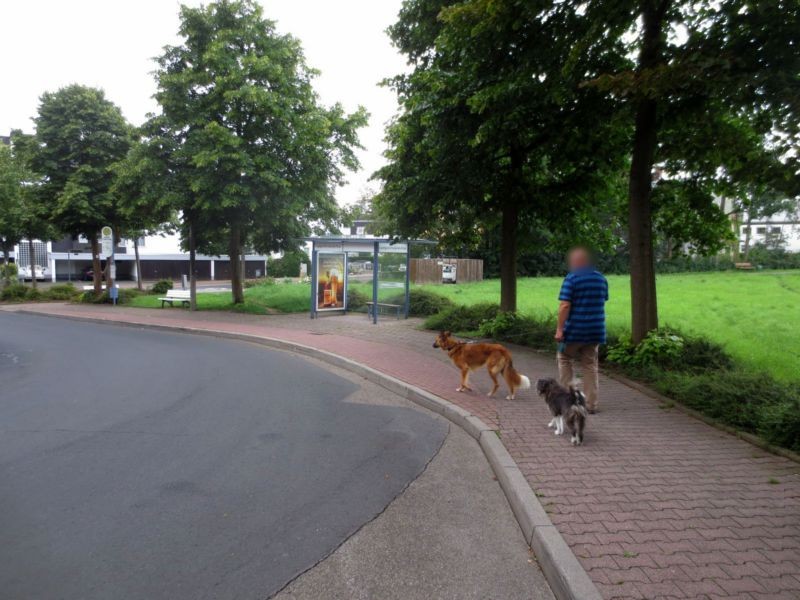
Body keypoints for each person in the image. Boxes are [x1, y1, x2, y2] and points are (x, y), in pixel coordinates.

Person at [554, 247, 608, 413]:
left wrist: (559, 330)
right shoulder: (601, 279)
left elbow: (565, 305)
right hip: (595, 331)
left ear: (577, 262)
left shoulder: (572, 278)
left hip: (574, 331)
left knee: (564, 358)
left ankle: (567, 400)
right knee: (590, 365)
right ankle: (591, 405)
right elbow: (602, 300)